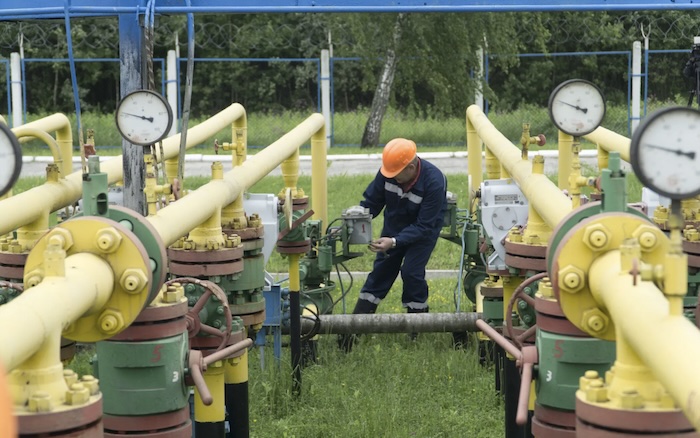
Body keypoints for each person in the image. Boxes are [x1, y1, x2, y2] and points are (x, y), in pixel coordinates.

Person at [339, 138, 447, 350]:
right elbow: (372, 203)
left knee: (412, 273)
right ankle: (352, 333)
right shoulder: (388, 173)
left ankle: (417, 329)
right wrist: (356, 218)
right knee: (381, 272)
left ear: (411, 168)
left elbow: (424, 225)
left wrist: (395, 241)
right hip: (394, 226)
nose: (392, 178)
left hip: (424, 233)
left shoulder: (435, 181)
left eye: (396, 174)